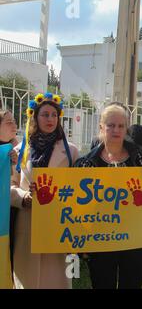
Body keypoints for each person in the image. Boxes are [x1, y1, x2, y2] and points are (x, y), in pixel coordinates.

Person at [74, 103, 142, 289]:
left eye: (121, 126)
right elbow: (76, 204)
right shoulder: (86, 164)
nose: (116, 130)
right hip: (100, 241)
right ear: (101, 128)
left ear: (126, 128)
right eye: (111, 125)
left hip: (136, 239)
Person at [10, 93, 79, 289]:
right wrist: (24, 198)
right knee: (28, 279)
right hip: (28, 223)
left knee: (56, 279)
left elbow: (80, 186)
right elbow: (10, 186)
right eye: (45, 115)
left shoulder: (71, 151)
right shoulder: (20, 151)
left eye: (54, 115)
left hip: (59, 224)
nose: (50, 119)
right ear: (35, 117)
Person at [0, 110, 18, 274]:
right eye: (8, 122)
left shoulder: (17, 149)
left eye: (14, 121)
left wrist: (14, 163)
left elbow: (15, 182)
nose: (15, 125)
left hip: (9, 216)